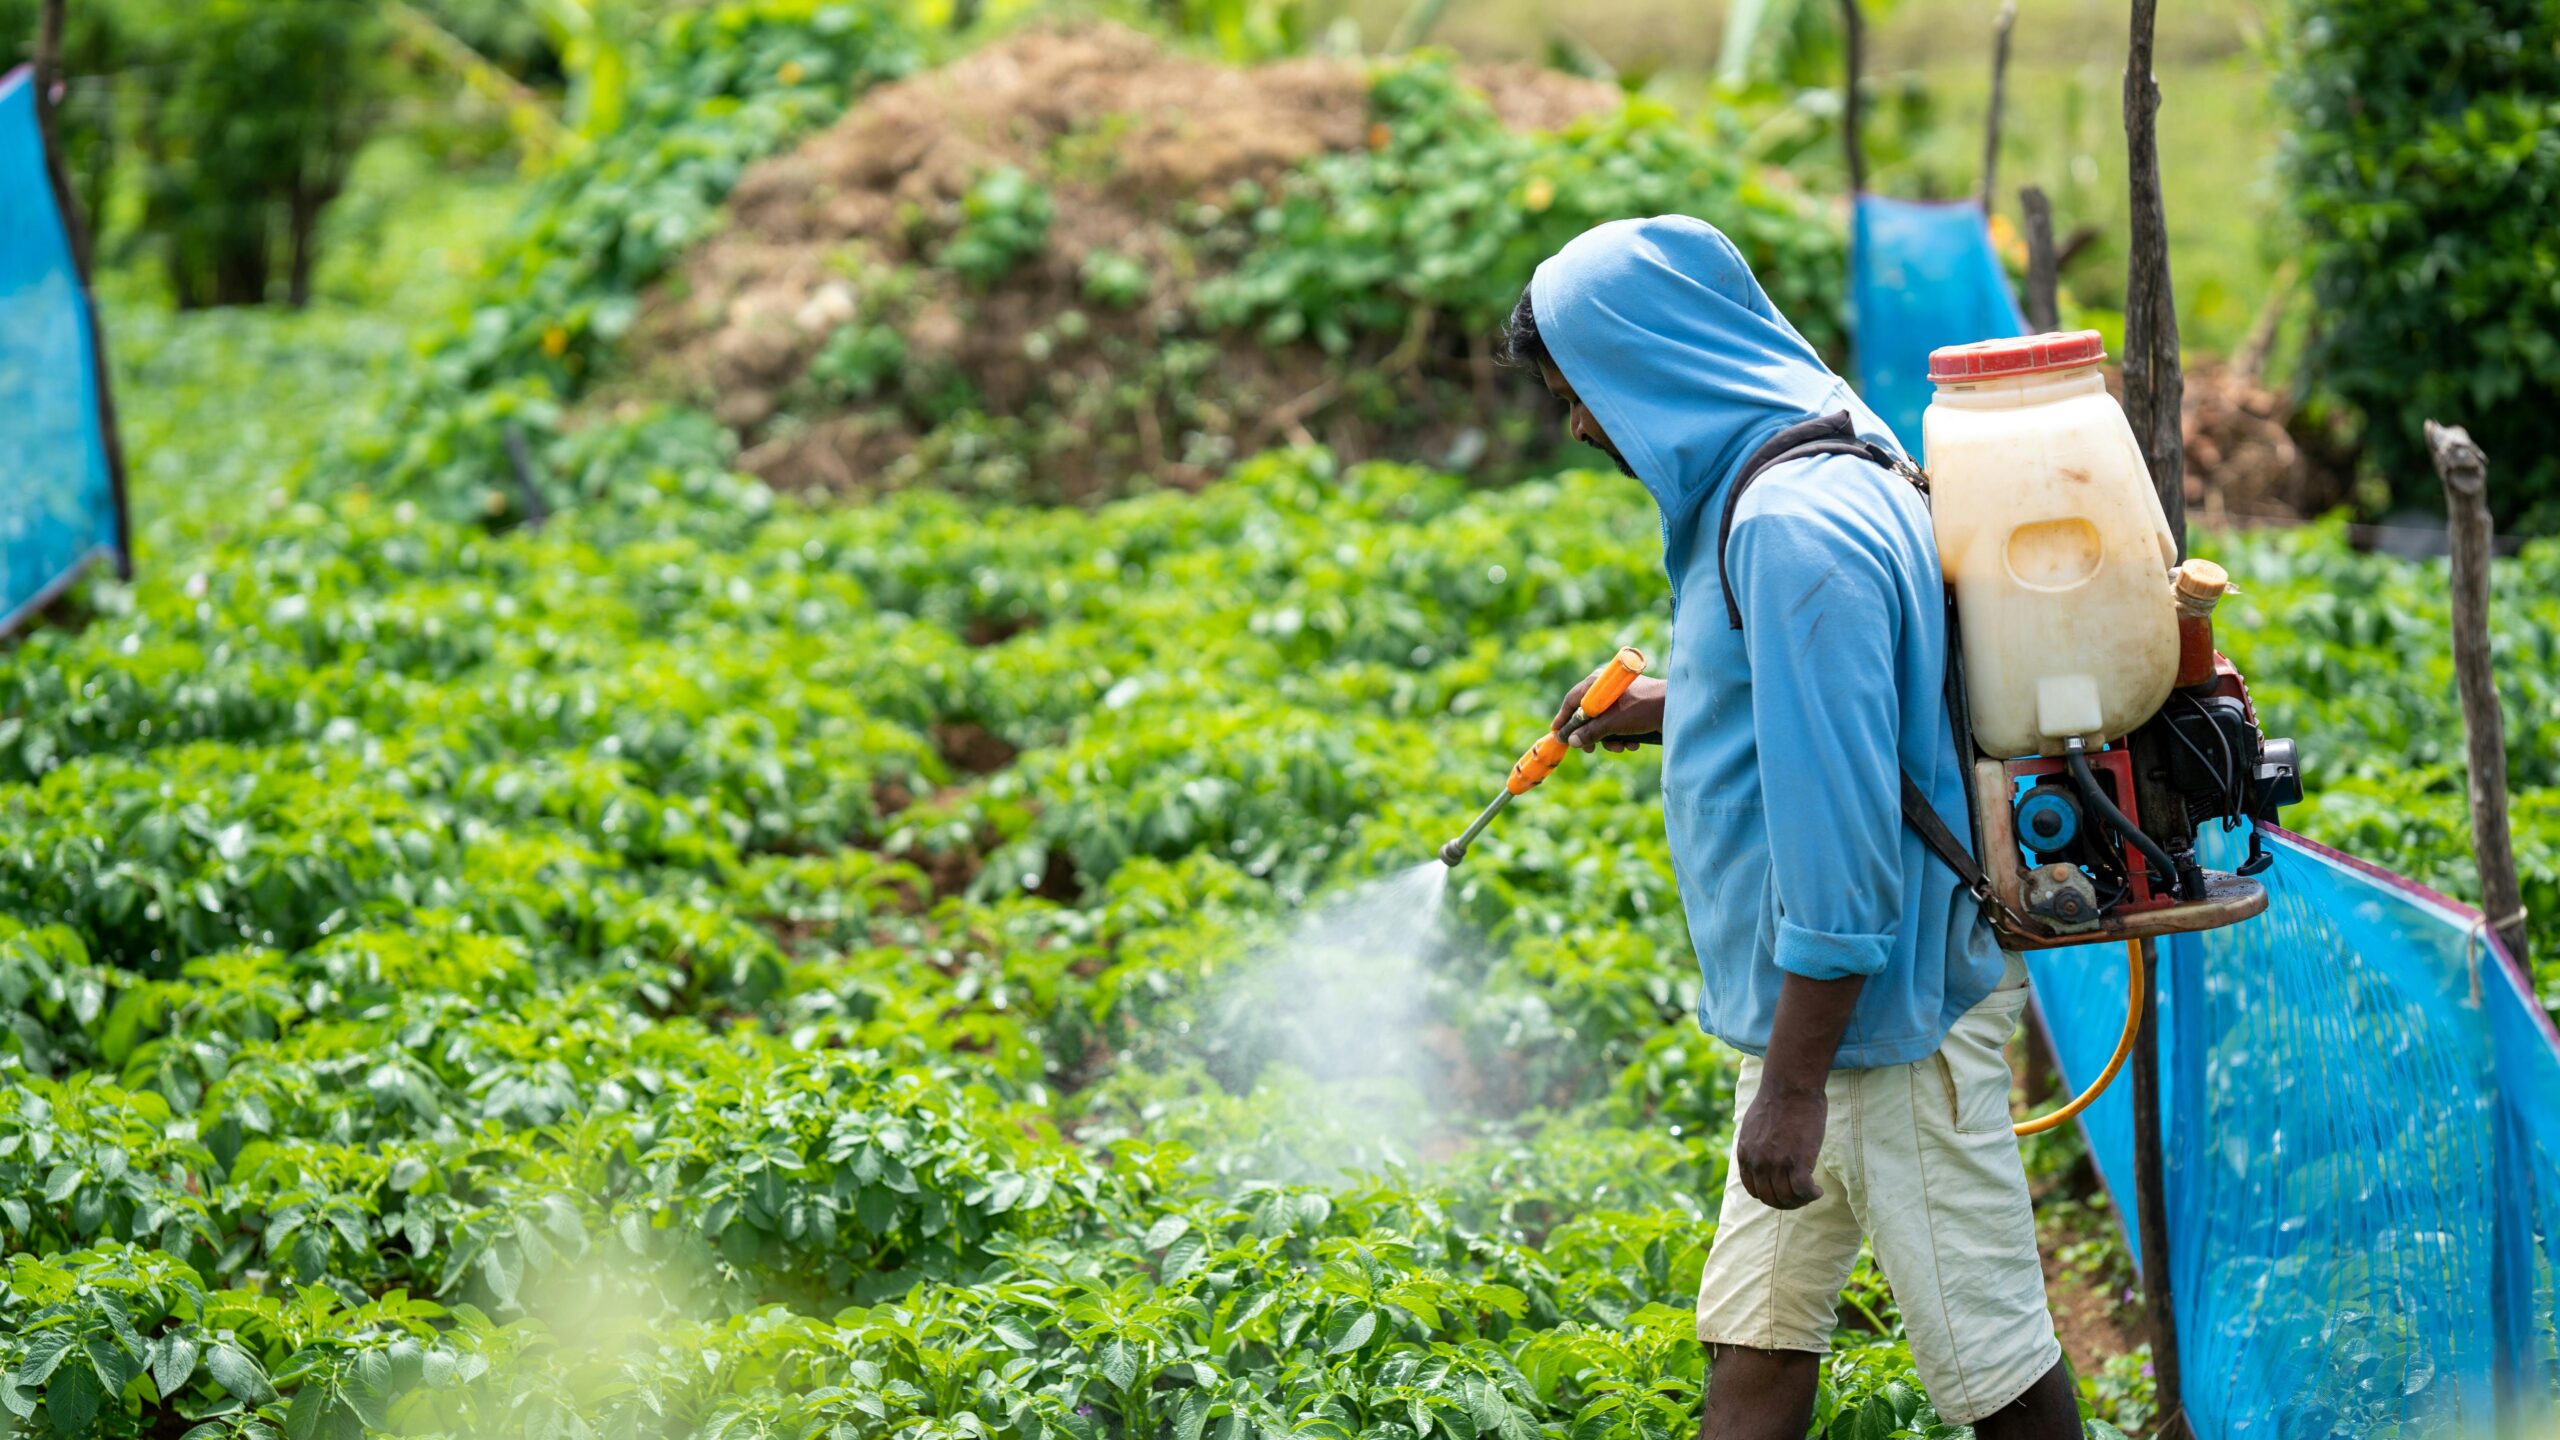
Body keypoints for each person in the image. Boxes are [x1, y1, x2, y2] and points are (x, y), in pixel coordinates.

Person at [1505, 215, 2081, 1439]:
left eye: (1583, 393)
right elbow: (1866, 686)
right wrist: (1689, 703)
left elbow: (1843, 823)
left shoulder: (1782, 531)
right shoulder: (1831, 438)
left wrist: (1793, 1084)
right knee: (1756, 1330)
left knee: (1996, 1371)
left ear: (1653, 366)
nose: (1583, 428)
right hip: (1839, 1020)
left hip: (1877, 1030)